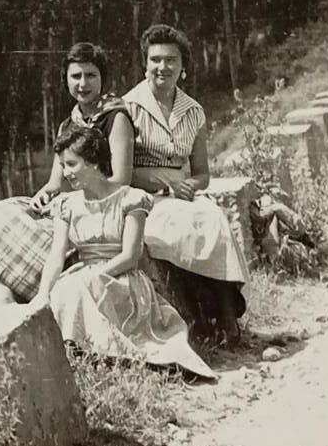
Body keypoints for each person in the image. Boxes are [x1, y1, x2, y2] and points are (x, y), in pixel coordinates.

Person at [0, 42, 135, 304]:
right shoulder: (68, 124)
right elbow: (55, 183)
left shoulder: (115, 117)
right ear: (66, 80)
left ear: (102, 79)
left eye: (90, 75)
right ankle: (3, 300)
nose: (83, 83)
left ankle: (19, 301)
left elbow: (121, 180)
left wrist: (72, 200)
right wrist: (44, 195)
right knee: (6, 214)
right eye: (76, 76)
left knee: (43, 233)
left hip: (103, 206)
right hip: (71, 203)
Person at [35, 126, 216, 380]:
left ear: (94, 162)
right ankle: (77, 355)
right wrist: (43, 294)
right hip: (84, 275)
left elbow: (131, 254)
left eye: (72, 164)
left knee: (78, 288)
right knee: (65, 289)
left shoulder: (130, 199)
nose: (66, 173)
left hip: (121, 277)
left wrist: (96, 276)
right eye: (63, 165)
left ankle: (101, 355)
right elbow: (56, 255)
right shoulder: (67, 205)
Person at [123, 23, 249, 344]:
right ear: (144, 64)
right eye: (155, 60)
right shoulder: (128, 108)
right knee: (170, 230)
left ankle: (227, 317)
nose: (162, 67)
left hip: (183, 195)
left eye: (170, 60)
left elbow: (203, 172)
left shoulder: (193, 111)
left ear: (182, 68)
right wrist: (164, 187)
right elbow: (121, 172)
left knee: (214, 220)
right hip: (144, 197)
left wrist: (191, 185)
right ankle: (193, 317)